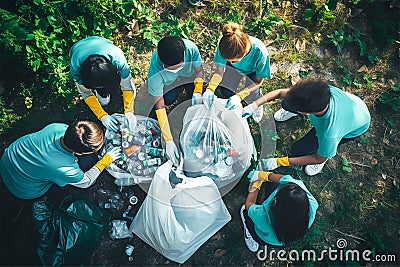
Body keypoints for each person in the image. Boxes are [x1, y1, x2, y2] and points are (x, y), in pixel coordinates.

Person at [242, 78, 371, 175]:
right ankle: (292, 109)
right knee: (287, 103)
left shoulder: (329, 133)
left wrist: (279, 162)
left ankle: (326, 151)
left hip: (356, 125)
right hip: (352, 105)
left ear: (307, 113)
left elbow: (317, 158)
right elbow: (281, 93)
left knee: (299, 150)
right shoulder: (320, 91)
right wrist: (254, 105)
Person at [0, 120, 121, 199]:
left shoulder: (56, 128)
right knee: (89, 161)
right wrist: (105, 161)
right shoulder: (65, 169)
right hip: (22, 188)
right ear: (79, 152)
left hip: (8, 159)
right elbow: (87, 182)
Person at [147, 35, 204, 166]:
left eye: (179, 65)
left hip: (189, 75)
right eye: (170, 69)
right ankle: (175, 86)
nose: (176, 69)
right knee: (168, 98)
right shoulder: (155, 72)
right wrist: (168, 139)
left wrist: (198, 91)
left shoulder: (190, 49)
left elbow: (199, 71)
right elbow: (159, 106)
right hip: (169, 82)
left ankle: (189, 87)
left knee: (192, 93)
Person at [203, 22, 271, 123]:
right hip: (233, 70)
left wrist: (239, 96)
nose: (231, 62)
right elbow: (219, 71)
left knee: (252, 94)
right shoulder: (225, 46)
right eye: (228, 60)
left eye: (234, 60)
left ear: (245, 52)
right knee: (226, 91)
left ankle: (256, 101)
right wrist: (210, 88)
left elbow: (258, 81)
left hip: (252, 72)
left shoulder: (260, 53)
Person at [70, 36, 137, 133]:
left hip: (103, 44)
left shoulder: (118, 59)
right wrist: (102, 115)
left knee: (127, 86)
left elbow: (127, 86)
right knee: (103, 100)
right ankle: (100, 92)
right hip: (77, 48)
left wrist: (129, 111)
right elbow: (86, 93)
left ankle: (107, 88)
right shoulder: (76, 69)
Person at [240, 170, 318, 252]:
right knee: (273, 183)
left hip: (266, 239)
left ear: (275, 206)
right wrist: (265, 175)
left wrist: (256, 183)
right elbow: (287, 179)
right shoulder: (312, 204)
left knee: (246, 212)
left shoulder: (262, 216)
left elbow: (249, 204)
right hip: (288, 240)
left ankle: (249, 233)